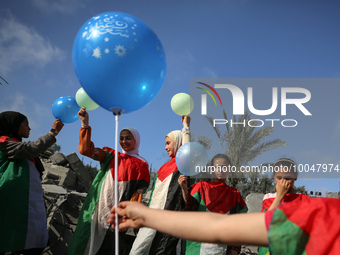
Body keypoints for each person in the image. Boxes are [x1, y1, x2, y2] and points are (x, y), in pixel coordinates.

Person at [109, 197, 340, 255]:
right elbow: (218, 226)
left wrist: (147, 216)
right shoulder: (327, 217)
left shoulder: (327, 216)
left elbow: (220, 228)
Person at [68, 108, 150, 255]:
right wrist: (84, 124)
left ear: (136, 140)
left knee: (110, 247)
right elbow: (86, 150)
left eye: (128, 138)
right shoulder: (110, 155)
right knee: (84, 242)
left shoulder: (142, 164)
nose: (124, 141)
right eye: (121, 138)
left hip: (117, 216)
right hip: (97, 209)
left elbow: (137, 194)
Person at [0, 111, 64, 255]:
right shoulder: (4, 143)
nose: (29, 128)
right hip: (14, 203)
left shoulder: (15, 144)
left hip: (28, 203)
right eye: (26, 124)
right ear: (13, 125)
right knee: (16, 241)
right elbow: (30, 150)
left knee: (35, 242)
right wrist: (53, 132)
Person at [129, 115, 191, 255]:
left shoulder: (182, 164)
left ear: (179, 142)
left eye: (168, 143)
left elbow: (188, 150)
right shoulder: (163, 167)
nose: (165, 147)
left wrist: (186, 127)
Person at [178, 153, 248, 255]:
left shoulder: (235, 194)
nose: (220, 170)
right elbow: (188, 208)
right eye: (217, 167)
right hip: (194, 249)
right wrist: (184, 189)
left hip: (221, 249)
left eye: (224, 167)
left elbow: (240, 224)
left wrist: (235, 249)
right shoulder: (200, 187)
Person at [258, 158, 311, 255]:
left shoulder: (305, 199)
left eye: (287, 178)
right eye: (279, 177)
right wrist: (279, 196)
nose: (283, 182)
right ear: (274, 177)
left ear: (295, 177)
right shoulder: (268, 198)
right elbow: (266, 222)